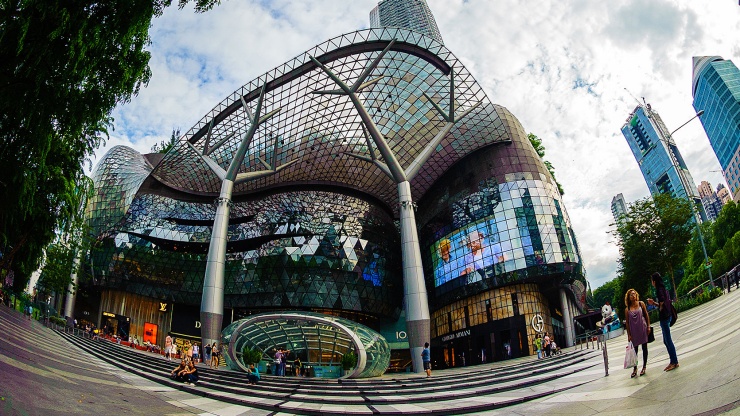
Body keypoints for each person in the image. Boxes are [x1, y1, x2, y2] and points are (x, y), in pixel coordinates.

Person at [647, 272, 679, 371]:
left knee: (668, 340)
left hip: (664, 317)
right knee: (666, 340)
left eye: (652, 281)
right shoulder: (664, 288)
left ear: (654, 281)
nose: (652, 283)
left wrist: (660, 307)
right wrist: (655, 304)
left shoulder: (659, 289)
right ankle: (672, 361)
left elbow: (662, 301)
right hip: (668, 315)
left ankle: (674, 362)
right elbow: (663, 302)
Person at [624, 288, 650, 377]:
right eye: (631, 294)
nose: (633, 296)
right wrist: (629, 334)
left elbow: (646, 315)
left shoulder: (641, 304)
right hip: (634, 331)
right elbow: (627, 323)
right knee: (635, 351)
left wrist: (648, 326)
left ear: (636, 295)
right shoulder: (627, 309)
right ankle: (635, 368)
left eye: (634, 294)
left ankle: (644, 367)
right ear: (628, 297)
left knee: (644, 348)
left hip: (642, 328)